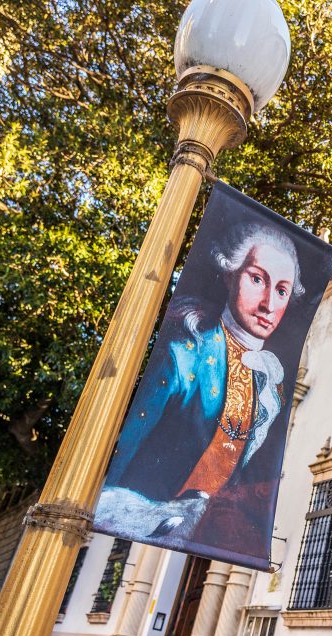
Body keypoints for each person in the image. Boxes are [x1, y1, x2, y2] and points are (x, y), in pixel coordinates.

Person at [94, 221, 303, 551]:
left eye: (281, 291)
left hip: (208, 533)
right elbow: (125, 450)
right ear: (229, 273)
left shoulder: (270, 383)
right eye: (257, 279)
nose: (268, 305)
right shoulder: (182, 359)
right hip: (142, 518)